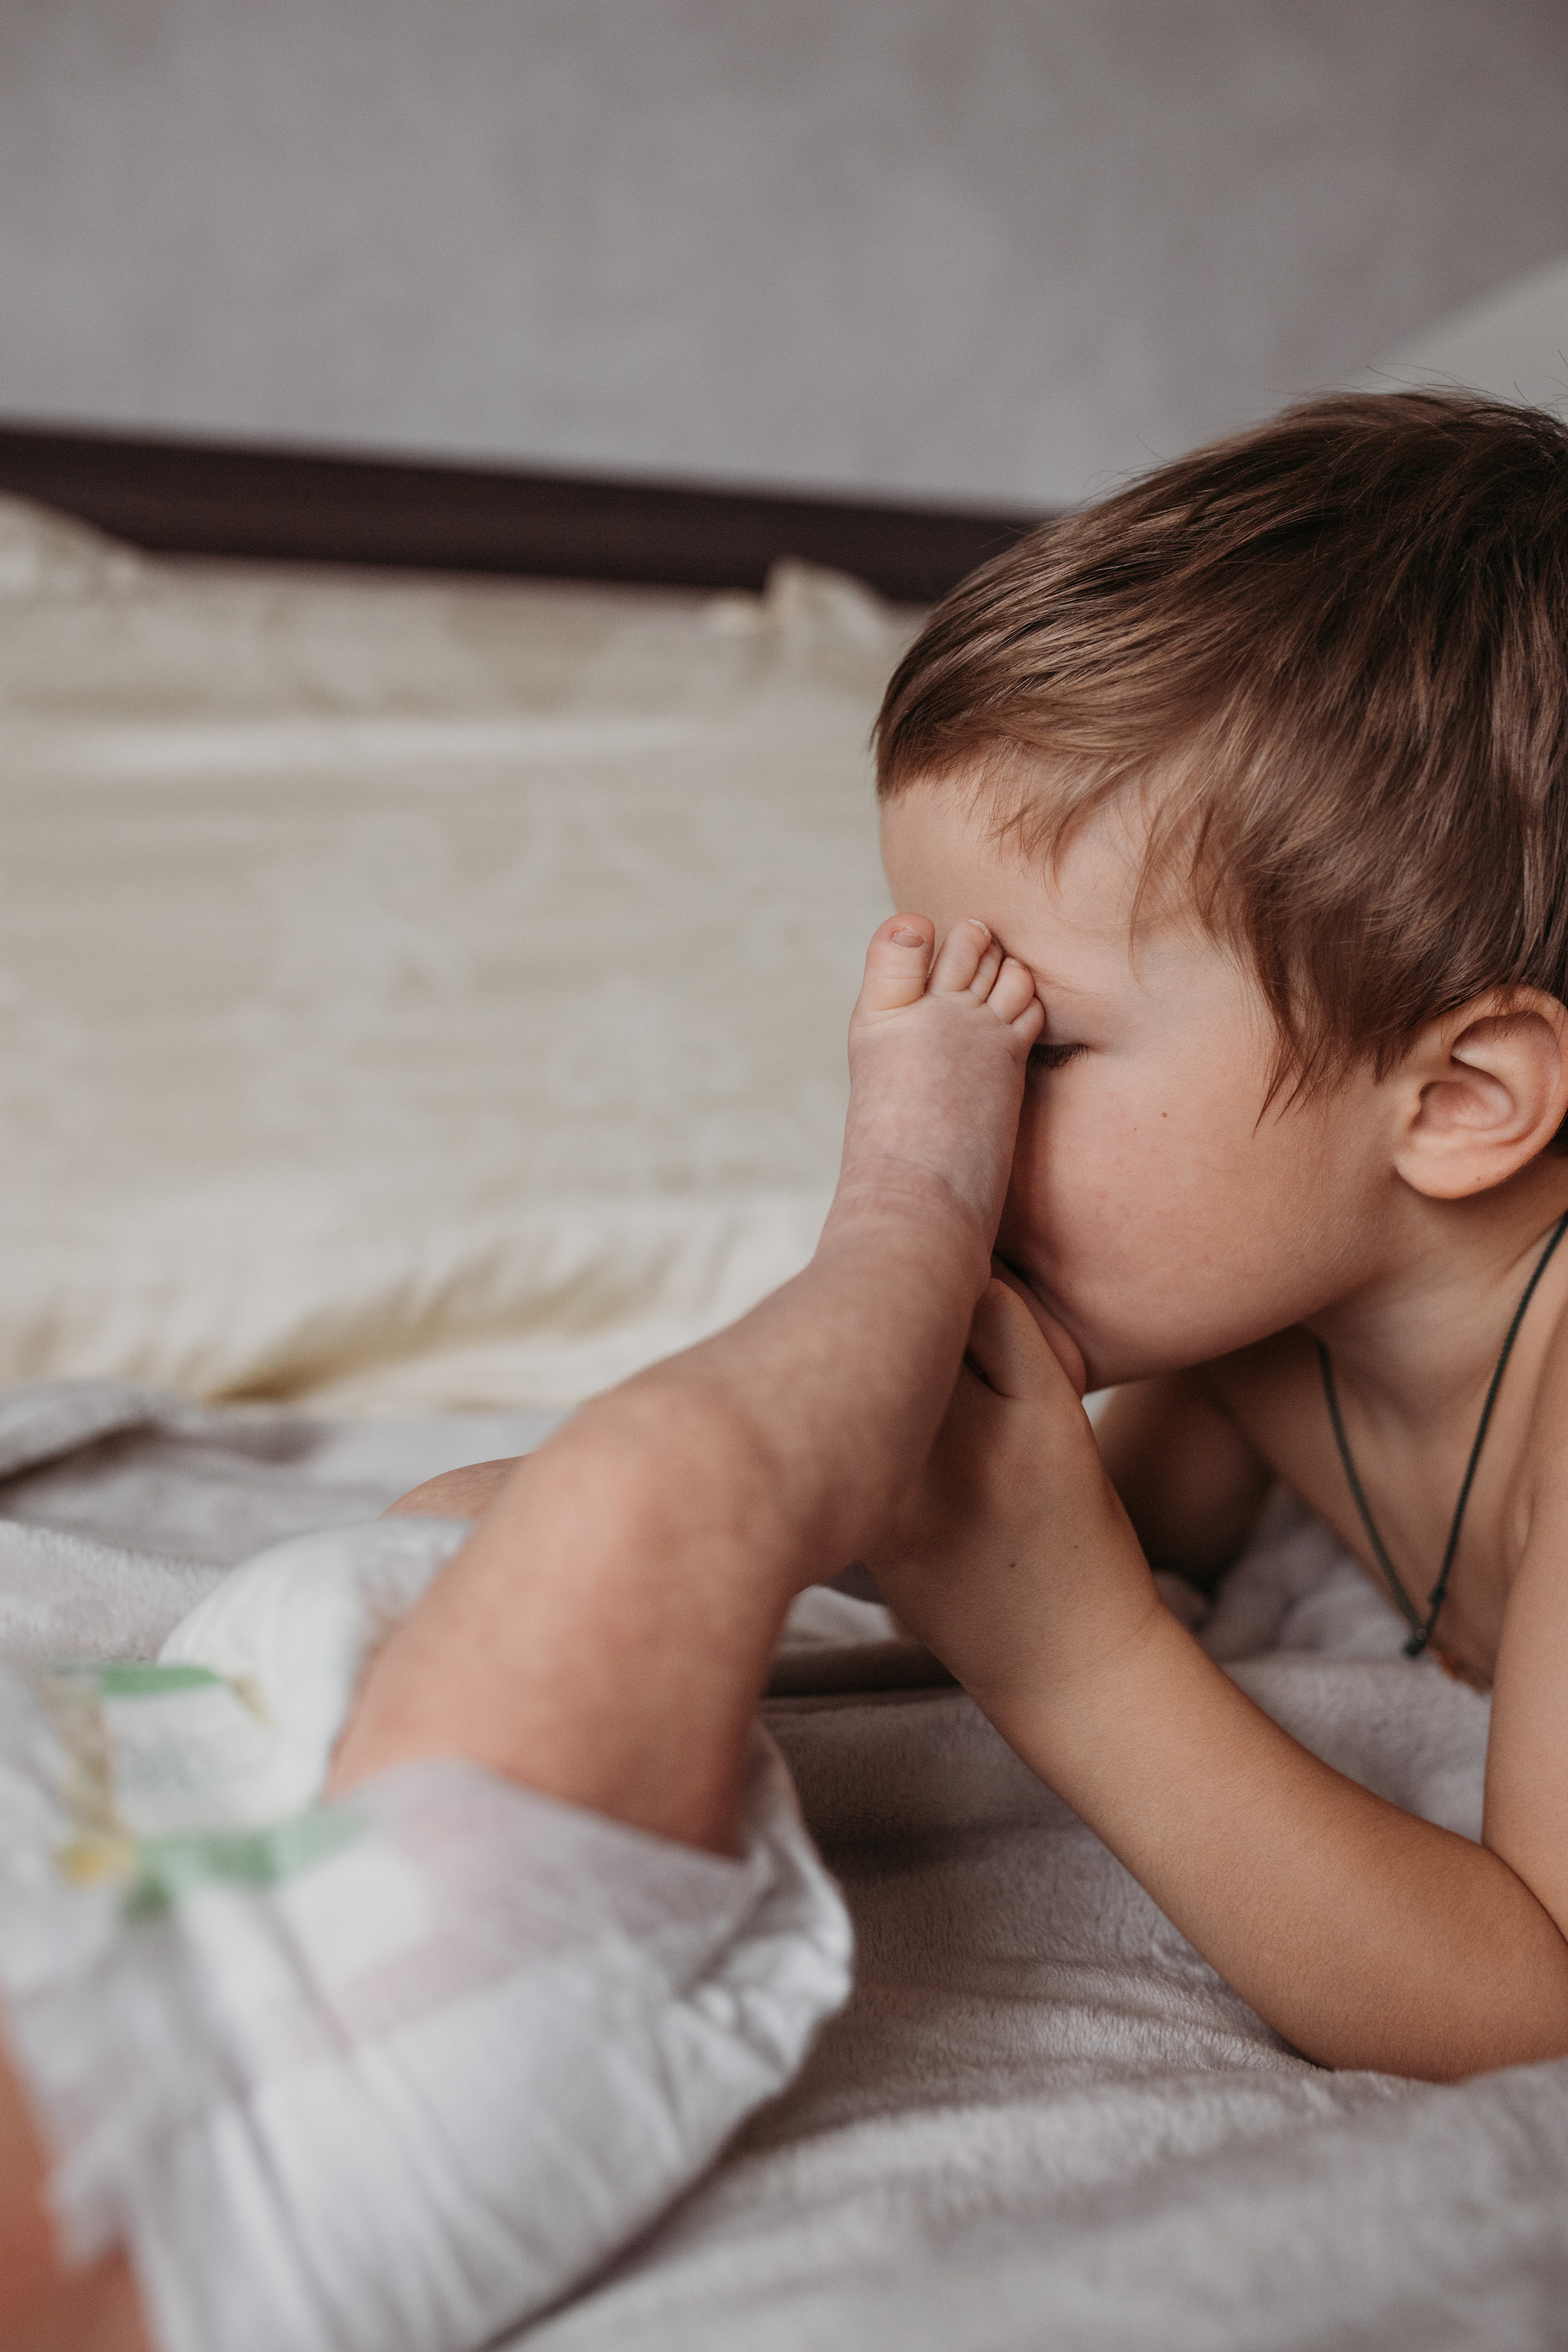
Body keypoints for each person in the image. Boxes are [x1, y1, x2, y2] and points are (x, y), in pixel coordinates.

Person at [0, 911, 1045, 2350]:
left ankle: (890, 1497)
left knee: (459, 1539)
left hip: (135, 1788)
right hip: (293, 2088)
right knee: (652, 1503)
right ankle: (910, 1212)